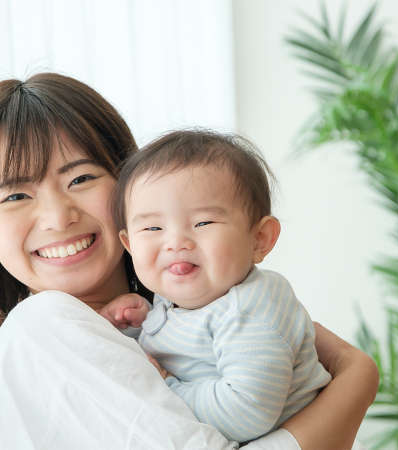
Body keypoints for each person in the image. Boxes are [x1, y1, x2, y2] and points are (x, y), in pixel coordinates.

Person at [0, 72, 378, 449]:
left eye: (81, 178)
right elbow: (330, 376)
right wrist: (356, 383)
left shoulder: (188, 310)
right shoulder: (41, 325)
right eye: (17, 195)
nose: (59, 217)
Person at [111, 129, 332, 443]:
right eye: (153, 227)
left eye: (203, 223)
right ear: (129, 243)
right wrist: (144, 321)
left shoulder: (251, 307)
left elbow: (247, 412)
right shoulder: (176, 299)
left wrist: (166, 388)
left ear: (260, 239)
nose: (175, 242)